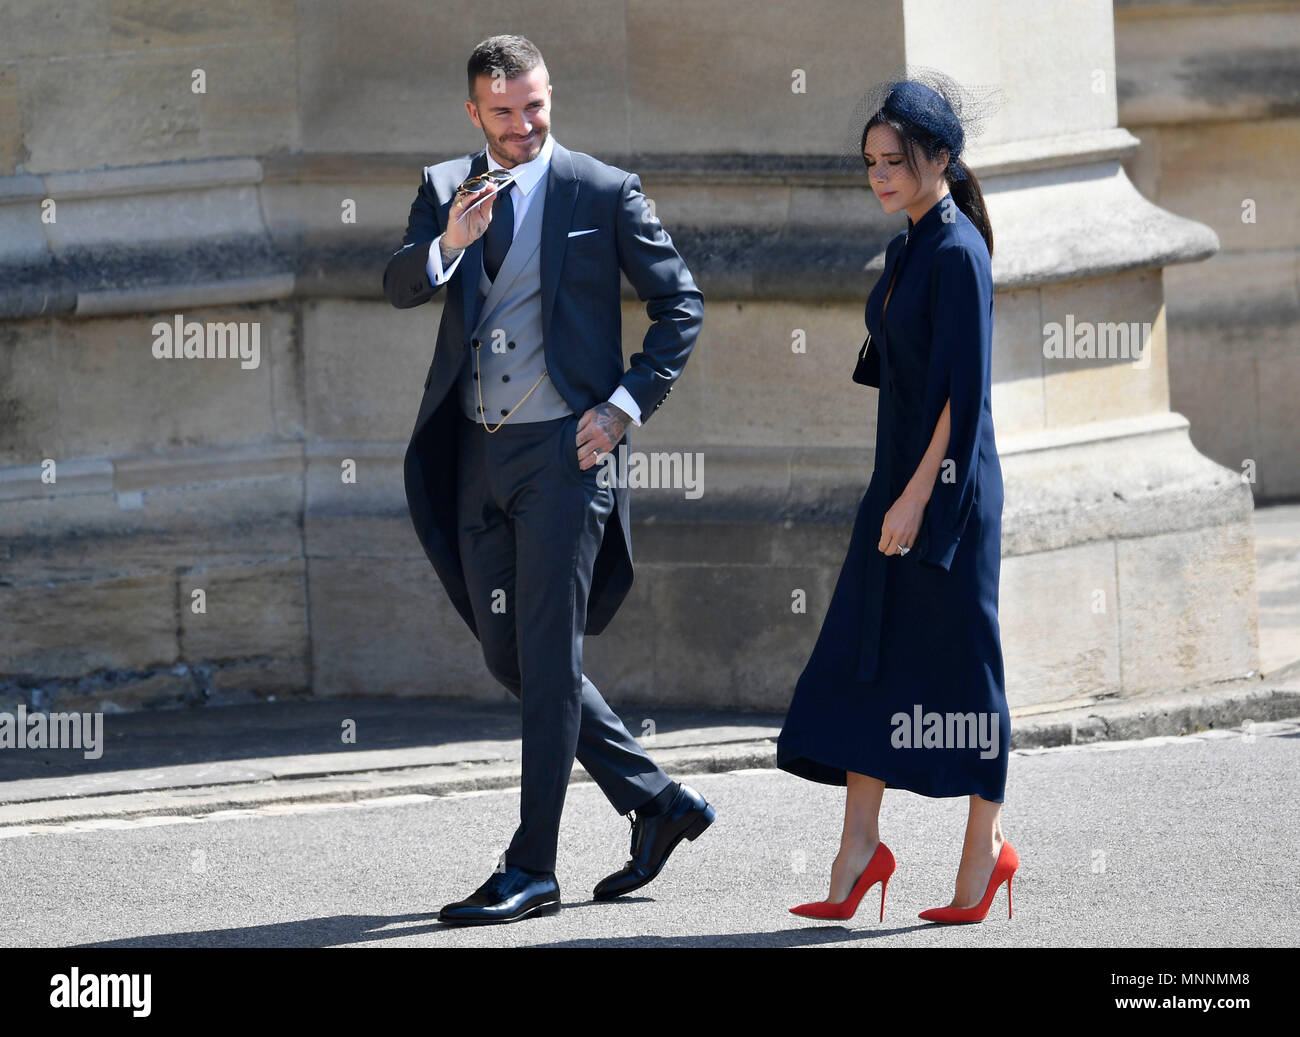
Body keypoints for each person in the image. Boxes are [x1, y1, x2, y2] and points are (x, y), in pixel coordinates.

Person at [382, 34, 711, 926]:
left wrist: (623, 409)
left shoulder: (600, 191)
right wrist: (449, 241)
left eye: (536, 107)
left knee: (551, 657)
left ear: (549, 96)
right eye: (505, 112)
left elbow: (681, 304)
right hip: (476, 452)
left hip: (567, 457)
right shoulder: (444, 184)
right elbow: (399, 283)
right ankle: (656, 799)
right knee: (512, 656)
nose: (525, 126)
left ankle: (532, 867)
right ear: (473, 114)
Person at [777, 72, 1019, 925]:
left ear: (940, 159)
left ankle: (985, 851)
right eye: (871, 161)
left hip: (946, 493)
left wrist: (918, 496)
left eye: (895, 161)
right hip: (900, 481)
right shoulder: (910, 244)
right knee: (861, 652)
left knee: (965, 669)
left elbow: (964, 395)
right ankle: (858, 849)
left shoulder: (958, 251)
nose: (878, 175)